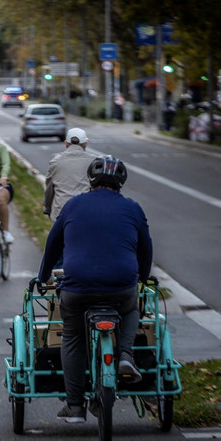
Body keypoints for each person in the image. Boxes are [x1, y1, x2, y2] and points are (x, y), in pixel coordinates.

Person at [38, 156, 152, 423]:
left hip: (78, 289)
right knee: (131, 309)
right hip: (121, 287)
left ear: (90, 179)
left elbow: (52, 245)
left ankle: (75, 406)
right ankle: (125, 355)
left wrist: (43, 276)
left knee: (73, 336)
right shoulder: (133, 208)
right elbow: (145, 250)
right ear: (121, 183)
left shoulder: (73, 205)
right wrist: (143, 278)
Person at [43, 128, 97, 224]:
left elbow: (49, 189)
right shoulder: (94, 161)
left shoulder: (55, 162)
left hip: (60, 214)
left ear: (66, 143)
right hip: (85, 213)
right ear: (86, 143)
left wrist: (47, 209)